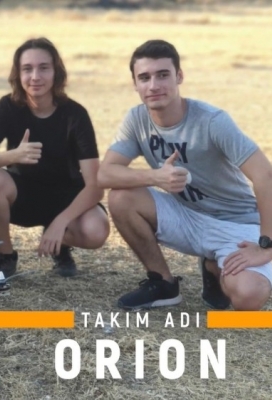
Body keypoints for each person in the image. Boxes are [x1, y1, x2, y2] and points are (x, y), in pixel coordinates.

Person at [98, 39, 272, 311]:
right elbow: (105, 174)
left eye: (162, 75)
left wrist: (266, 245)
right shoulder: (137, 119)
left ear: (179, 76)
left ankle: (214, 267)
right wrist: (156, 177)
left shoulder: (212, 120)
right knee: (121, 197)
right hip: (187, 217)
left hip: (236, 221)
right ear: (135, 84)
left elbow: (265, 176)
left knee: (248, 296)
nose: (153, 85)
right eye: (144, 78)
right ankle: (163, 284)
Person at [0, 37, 109, 285]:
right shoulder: (7, 107)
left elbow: (95, 186)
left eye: (44, 68)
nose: (35, 76)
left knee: (96, 230)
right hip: (22, 196)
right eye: (27, 69)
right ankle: (5, 257)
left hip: (66, 198)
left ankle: (60, 244)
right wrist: (12, 156)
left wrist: (60, 223)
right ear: (18, 74)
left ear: (56, 72)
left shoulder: (75, 114)